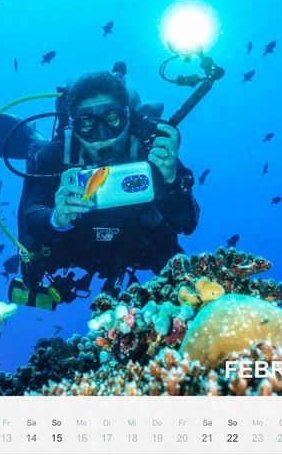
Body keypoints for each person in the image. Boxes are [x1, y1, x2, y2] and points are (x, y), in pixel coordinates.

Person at [11, 70, 200, 308]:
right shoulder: (55, 157)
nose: (101, 136)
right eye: (87, 123)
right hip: (75, 244)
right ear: (73, 125)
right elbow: (31, 217)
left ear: (127, 116)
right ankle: (33, 140)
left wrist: (171, 180)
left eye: (112, 119)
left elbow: (187, 223)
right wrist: (56, 218)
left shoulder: (151, 151)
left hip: (134, 244)